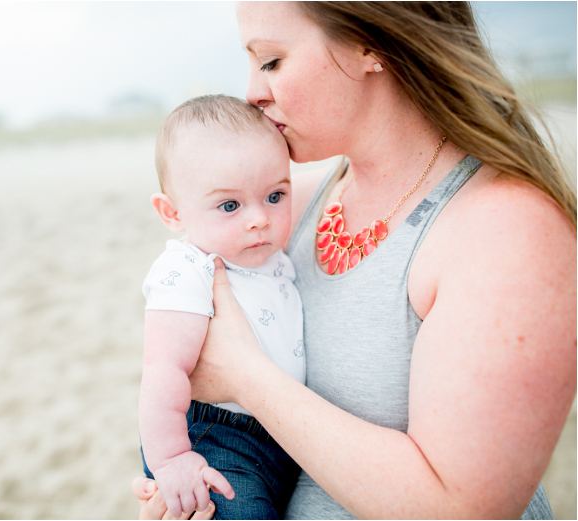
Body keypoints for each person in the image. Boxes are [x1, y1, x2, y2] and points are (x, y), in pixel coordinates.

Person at [133, 2, 576, 519]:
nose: (252, 90)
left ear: (371, 44)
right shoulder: (289, 202)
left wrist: (245, 375)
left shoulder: (509, 230)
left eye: (271, 61)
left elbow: (465, 509)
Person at [140, 94, 306, 519]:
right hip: (215, 437)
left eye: (275, 196)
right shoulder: (188, 266)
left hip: (283, 438)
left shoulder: (272, 257)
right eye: (230, 206)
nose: (259, 219)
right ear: (173, 213)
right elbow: (164, 369)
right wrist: (173, 458)